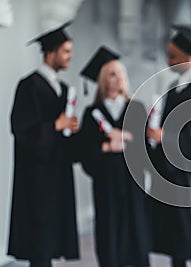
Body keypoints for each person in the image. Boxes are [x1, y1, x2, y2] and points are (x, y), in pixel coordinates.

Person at [8, 22, 80, 267]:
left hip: (58, 175)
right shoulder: (29, 86)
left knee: (52, 240)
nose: (70, 57)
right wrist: (55, 126)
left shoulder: (64, 89)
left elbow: (65, 138)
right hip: (37, 179)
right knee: (39, 242)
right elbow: (20, 129)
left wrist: (70, 129)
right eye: (66, 51)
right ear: (50, 53)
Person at [146, 25, 191, 267]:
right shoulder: (175, 88)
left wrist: (165, 136)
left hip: (190, 176)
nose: (169, 61)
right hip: (171, 171)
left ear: (189, 57)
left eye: (173, 56)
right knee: (175, 238)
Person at [79, 46, 151, 267]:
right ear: (102, 80)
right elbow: (84, 152)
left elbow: (146, 150)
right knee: (109, 234)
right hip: (106, 183)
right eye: (112, 73)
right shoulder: (92, 114)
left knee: (136, 232)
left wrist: (127, 136)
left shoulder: (136, 109)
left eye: (121, 73)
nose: (118, 78)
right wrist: (106, 147)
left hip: (132, 182)